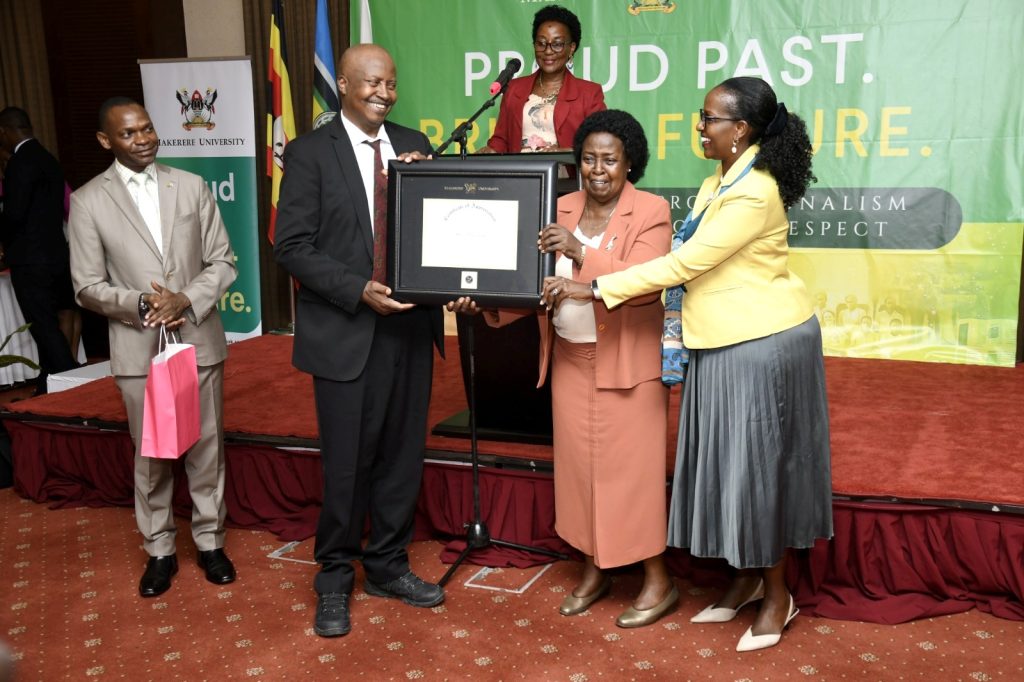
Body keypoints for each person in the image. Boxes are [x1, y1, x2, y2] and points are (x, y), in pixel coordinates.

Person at [543, 77, 833, 652]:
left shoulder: (755, 192)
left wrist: (592, 285)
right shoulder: (720, 178)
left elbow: (682, 264)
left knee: (758, 472)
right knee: (730, 467)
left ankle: (779, 596)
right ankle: (748, 580)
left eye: (708, 118)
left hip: (761, 342)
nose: (699, 126)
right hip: (719, 341)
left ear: (740, 129)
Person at [456, 110, 675, 627]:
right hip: (571, 365)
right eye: (588, 159)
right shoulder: (558, 206)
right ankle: (595, 568)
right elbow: (533, 282)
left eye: (610, 159)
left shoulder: (651, 210)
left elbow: (646, 280)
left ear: (630, 163)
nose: (597, 169)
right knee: (579, 475)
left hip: (627, 365)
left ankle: (658, 580)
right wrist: (488, 304)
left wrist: (580, 253)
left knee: (633, 477)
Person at [273, 44, 445, 639]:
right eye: (372, 82)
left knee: (401, 458)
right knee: (346, 466)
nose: (384, 92)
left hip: (409, 327)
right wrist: (358, 289)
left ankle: (388, 567)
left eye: (392, 83)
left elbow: (437, 228)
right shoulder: (309, 152)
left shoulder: (412, 140)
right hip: (347, 329)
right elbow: (291, 246)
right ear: (343, 84)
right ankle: (333, 579)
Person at [68, 97, 238, 598]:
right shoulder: (87, 201)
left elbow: (223, 261)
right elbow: (85, 285)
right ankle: (159, 549)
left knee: (207, 449)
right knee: (152, 455)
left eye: (147, 129)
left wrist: (186, 298)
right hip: (138, 350)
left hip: (198, 341)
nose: (143, 139)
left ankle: (210, 542)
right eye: (128, 133)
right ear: (106, 141)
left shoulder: (190, 185)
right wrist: (143, 303)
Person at [0, 106, 80, 393]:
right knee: (49, 323)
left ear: (5, 132)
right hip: (56, 255)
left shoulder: (19, 164)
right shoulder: (48, 158)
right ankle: (47, 388)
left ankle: (73, 382)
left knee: (43, 326)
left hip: (30, 260)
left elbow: (14, 216)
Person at [478, 5, 605, 153]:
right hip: (520, 174)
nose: (548, 51)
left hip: (564, 174)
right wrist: (491, 150)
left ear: (571, 48)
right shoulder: (514, 88)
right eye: (541, 43)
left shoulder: (589, 93)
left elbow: (601, 145)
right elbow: (501, 140)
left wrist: (566, 152)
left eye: (557, 44)